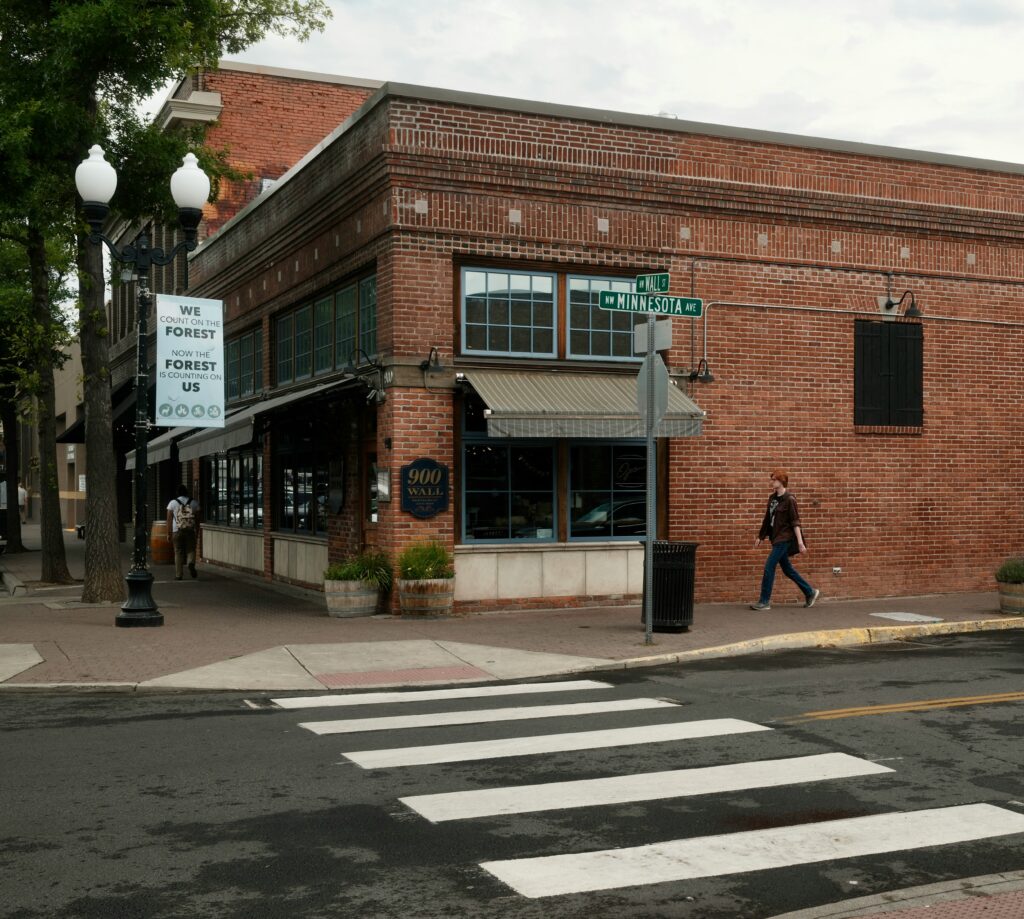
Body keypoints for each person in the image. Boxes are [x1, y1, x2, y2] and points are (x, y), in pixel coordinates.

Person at [751, 468, 819, 611]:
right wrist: (760, 536)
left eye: (774, 479)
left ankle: (764, 601)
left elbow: (796, 522)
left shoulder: (790, 500)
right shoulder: (772, 499)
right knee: (787, 569)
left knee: (769, 567)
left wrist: (800, 543)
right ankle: (810, 592)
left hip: (784, 539)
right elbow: (767, 519)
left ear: (781, 481)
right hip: (775, 538)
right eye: (771, 479)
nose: (771, 482)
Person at [166, 485, 201, 581]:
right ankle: (190, 563)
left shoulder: (172, 503)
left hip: (176, 530)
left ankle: (179, 575)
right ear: (187, 492)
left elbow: (169, 519)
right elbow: (198, 520)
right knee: (191, 549)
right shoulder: (194, 503)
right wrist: (197, 532)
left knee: (178, 551)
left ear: (177, 493)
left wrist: (168, 533)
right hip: (190, 530)